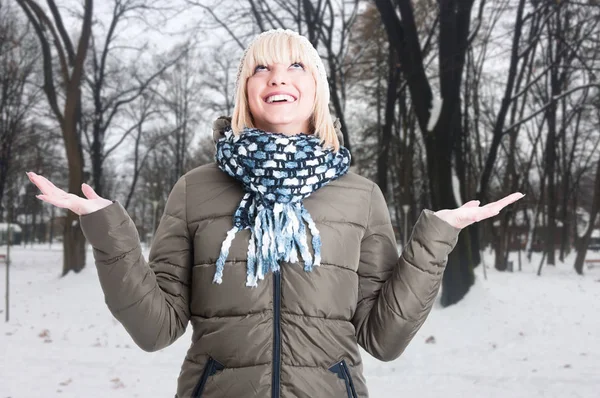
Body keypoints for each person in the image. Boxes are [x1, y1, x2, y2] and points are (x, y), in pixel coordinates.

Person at [27, 29, 524, 398]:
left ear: (317, 90)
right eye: (261, 68)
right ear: (246, 88)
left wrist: (438, 236)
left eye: (295, 67)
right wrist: (108, 231)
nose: (277, 77)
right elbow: (156, 330)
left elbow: (384, 337)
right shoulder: (194, 190)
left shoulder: (359, 195)